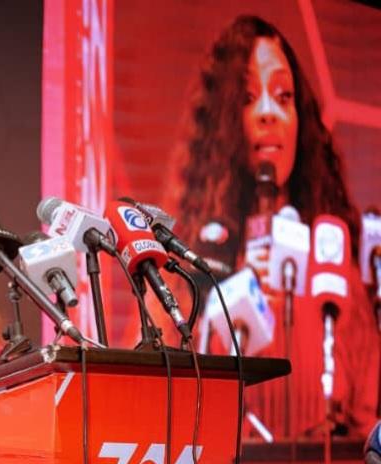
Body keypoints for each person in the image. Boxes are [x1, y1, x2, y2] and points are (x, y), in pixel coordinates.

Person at [158, 14, 378, 440]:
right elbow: (163, 396)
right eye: (246, 97)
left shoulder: (334, 274)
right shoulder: (188, 267)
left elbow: (366, 417)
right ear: (222, 123)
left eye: (282, 96)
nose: (267, 114)